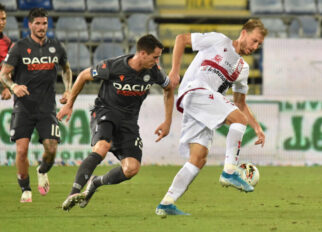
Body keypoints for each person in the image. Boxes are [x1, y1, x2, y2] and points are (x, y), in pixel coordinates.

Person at [155, 19, 268, 216]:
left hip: (202, 105)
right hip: (195, 90)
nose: (255, 47)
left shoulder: (242, 69)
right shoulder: (219, 40)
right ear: (243, 33)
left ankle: (166, 203)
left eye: (259, 44)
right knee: (238, 120)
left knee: (198, 159)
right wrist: (174, 70)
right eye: (254, 40)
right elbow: (181, 39)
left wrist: (257, 127)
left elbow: (240, 103)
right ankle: (230, 172)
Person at [57, 34, 174, 211]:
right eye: (155, 57)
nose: (157, 61)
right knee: (102, 147)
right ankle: (73, 193)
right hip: (106, 112)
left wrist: (167, 121)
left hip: (129, 122)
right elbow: (82, 76)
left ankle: (96, 182)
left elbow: (169, 89)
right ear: (142, 54)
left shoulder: (154, 72)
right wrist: (70, 104)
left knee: (131, 169)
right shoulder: (113, 66)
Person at [0, 8, 72, 203]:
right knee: (22, 150)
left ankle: (42, 170)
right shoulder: (19, 47)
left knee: (51, 149)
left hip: (47, 107)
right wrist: (14, 86)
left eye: (44, 23)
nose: (41, 27)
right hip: (24, 107)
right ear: (30, 25)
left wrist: (68, 90)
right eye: (38, 24)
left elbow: (66, 69)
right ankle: (25, 188)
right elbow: (3, 74)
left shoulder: (56, 47)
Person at [0, 3, 12, 100]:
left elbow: (6, 68)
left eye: (3, 19)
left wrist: (6, 88)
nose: (1, 22)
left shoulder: (7, 42)